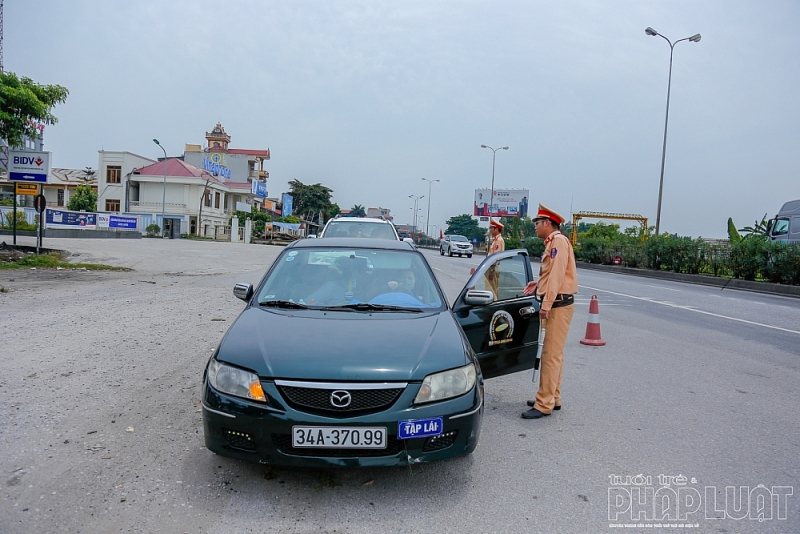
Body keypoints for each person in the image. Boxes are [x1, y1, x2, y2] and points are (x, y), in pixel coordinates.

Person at [521, 204, 577, 420]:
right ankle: (552, 396)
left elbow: (557, 277)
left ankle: (544, 403)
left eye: (537, 223)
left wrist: (545, 305)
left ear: (547, 223)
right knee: (555, 355)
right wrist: (539, 284)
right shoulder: (555, 242)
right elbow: (552, 275)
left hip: (557, 305)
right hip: (558, 302)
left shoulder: (558, 242)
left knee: (550, 355)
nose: (535, 227)